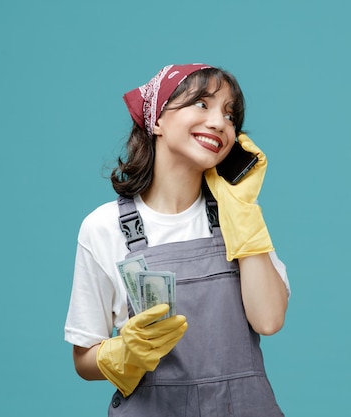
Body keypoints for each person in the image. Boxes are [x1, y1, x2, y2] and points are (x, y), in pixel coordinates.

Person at [64, 63, 290, 416]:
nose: (219, 122)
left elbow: (269, 320)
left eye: (231, 116)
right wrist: (123, 353)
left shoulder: (239, 214)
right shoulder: (103, 227)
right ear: (157, 120)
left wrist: (243, 209)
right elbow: (83, 359)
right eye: (201, 104)